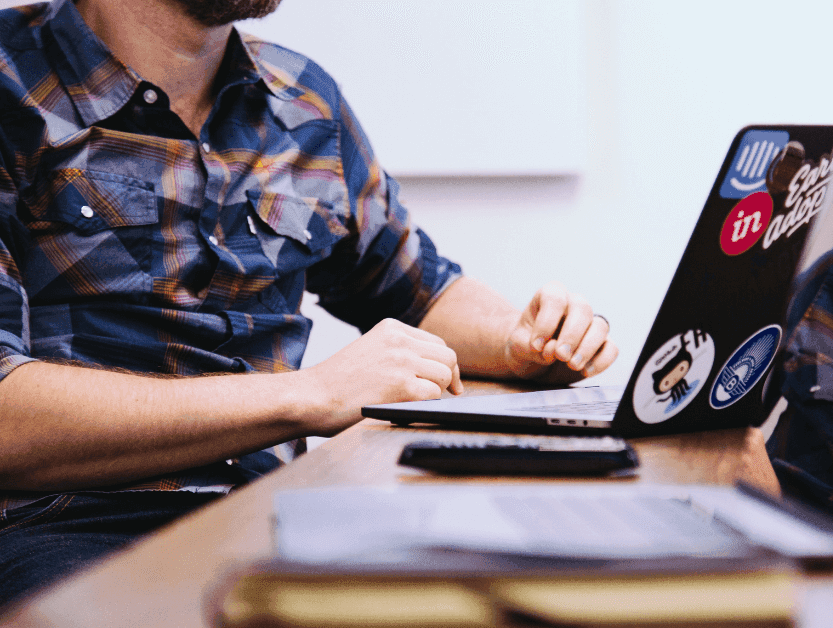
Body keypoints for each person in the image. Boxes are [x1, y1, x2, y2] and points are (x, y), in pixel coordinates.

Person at [0, 0, 617, 606]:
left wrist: (521, 340)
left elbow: (418, 290)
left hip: (279, 514)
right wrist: (312, 394)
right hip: (69, 529)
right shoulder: (10, 83)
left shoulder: (303, 100)